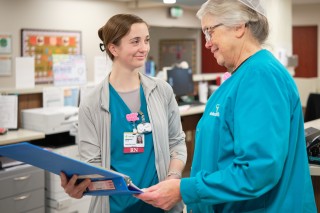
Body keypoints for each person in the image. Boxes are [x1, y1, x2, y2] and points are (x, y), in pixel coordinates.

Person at [136, 0, 317, 212]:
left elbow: (257, 170)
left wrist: (184, 190)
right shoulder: (241, 77)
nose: (207, 43)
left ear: (239, 26)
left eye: (210, 32)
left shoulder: (260, 77)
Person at [60, 13, 187, 213]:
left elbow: (177, 142)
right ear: (113, 48)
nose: (144, 48)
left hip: (161, 204)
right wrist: (80, 187)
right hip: (115, 206)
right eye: (135, 41)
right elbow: (91, 163)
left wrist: (172, 179)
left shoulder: (161, 91)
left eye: (146, 40)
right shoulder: (92, 103)